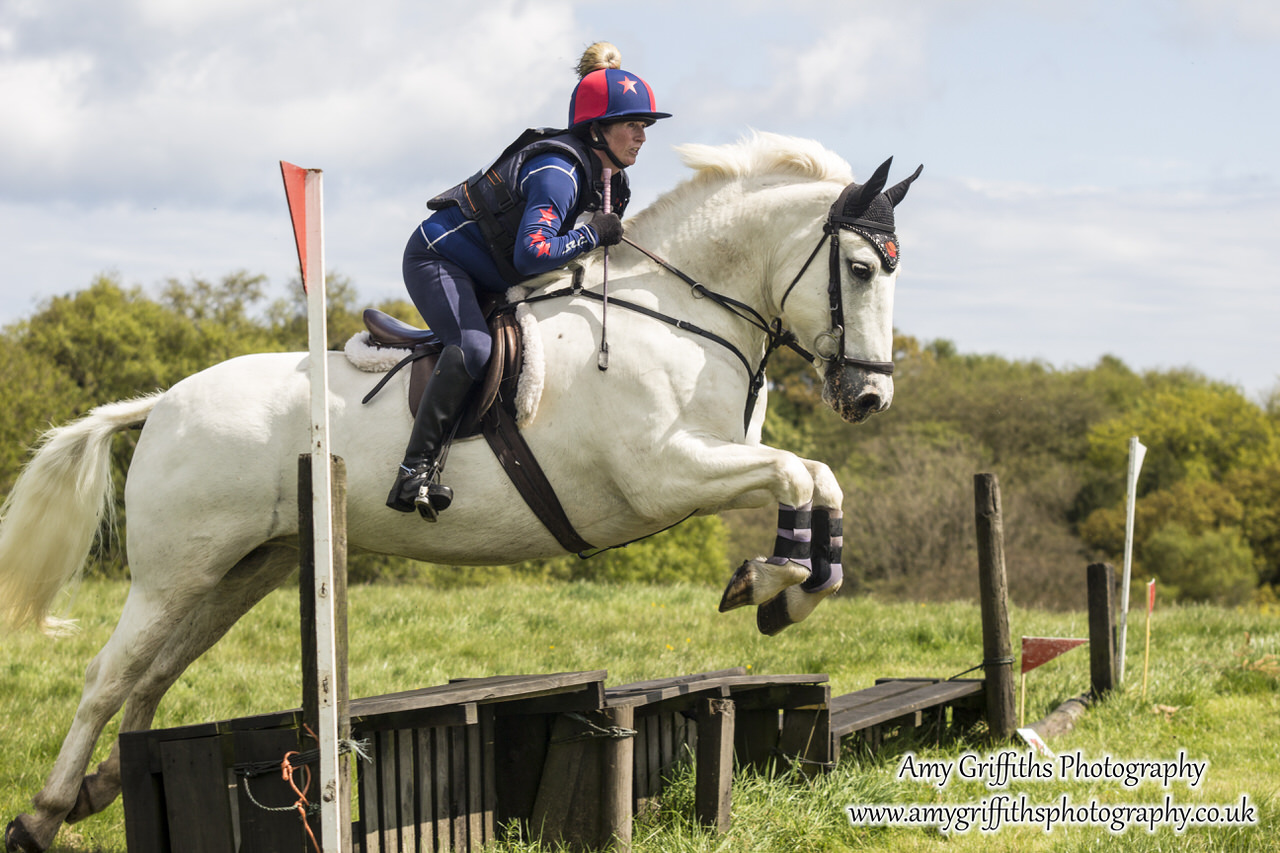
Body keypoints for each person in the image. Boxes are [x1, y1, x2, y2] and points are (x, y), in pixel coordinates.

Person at [388, 42, 671, 519]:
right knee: (473, 347)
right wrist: (590, 234)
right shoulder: (557, 170)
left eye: (645, 126)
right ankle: (414, 470)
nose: (642, 136)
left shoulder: (614, 184)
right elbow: (534, 251)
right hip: (440, 259)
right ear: (598, 129)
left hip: (499, 274)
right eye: (633, 125)